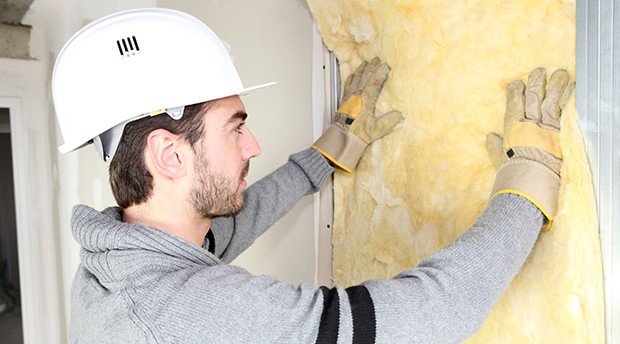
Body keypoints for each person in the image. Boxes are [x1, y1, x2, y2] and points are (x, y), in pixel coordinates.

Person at [52, 8, 571, 344]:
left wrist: (332, 149)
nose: (253, 145)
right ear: (168, 156)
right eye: (236, 129)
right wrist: (530, 177)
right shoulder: (195, 313)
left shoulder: (120, 262)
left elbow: (238, 219)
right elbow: (430, 316)